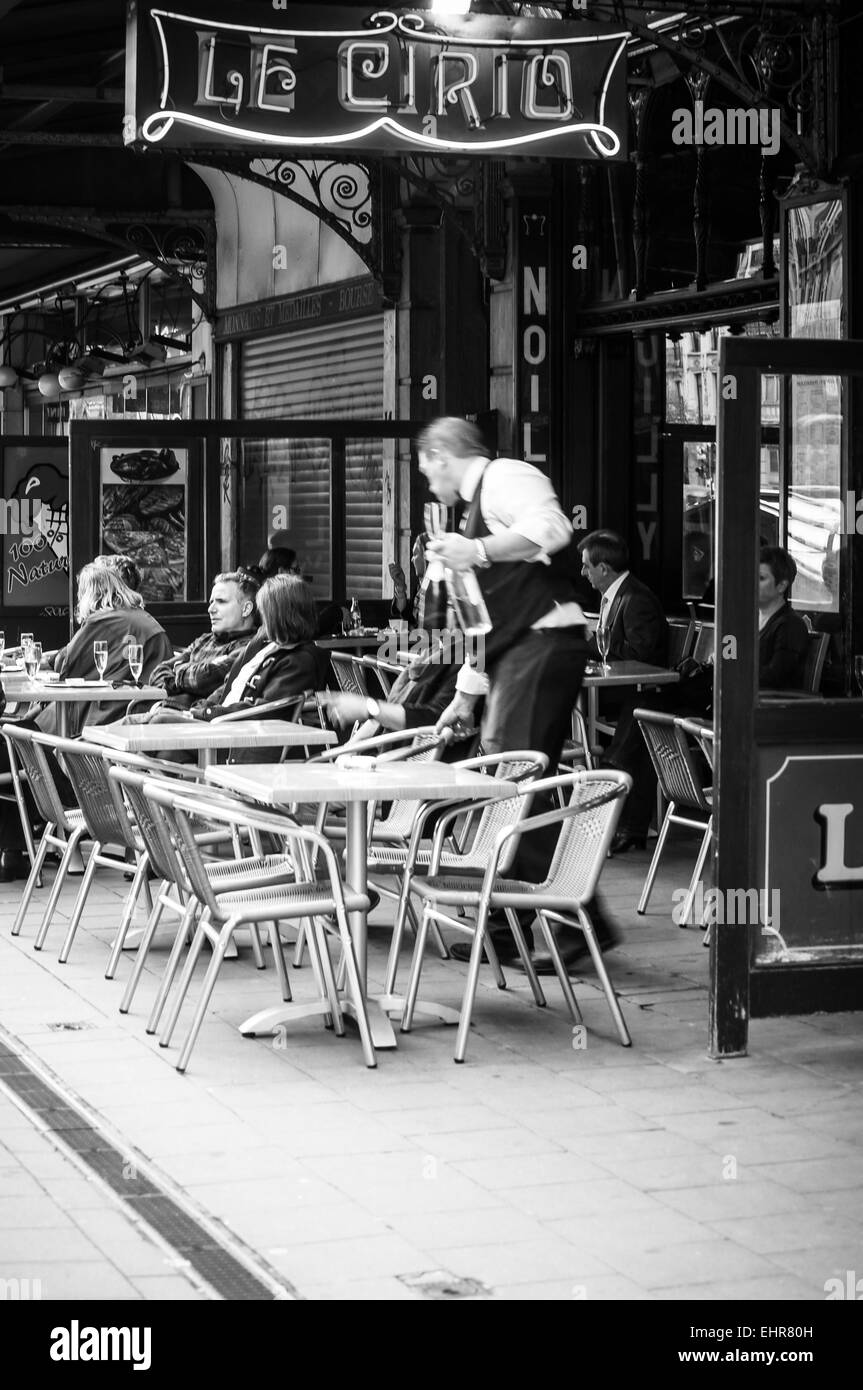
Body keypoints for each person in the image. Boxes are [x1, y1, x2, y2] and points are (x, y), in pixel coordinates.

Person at [417, 416, 609, 975]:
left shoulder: (504, 476)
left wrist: (476, 550)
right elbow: (482, 622)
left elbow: (554, 528)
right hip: (519, 650)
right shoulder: (468, 518)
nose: (427, 480)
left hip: (543, 642)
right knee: (513, 783)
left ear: (443, 455)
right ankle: (523, 926)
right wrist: (465, 695)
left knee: (516, 781)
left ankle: (557, 920)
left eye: (426, 467)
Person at [144, 574, 324, 753]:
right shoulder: (264, 648)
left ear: (280, 615)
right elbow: (227, 686)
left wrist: (205, 713)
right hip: (217, 724)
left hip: (234, 737)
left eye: (264, 612)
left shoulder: (298, 660)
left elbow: (263, 710)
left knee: (158, 725)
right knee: (151, 729)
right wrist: (201, 709)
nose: (261, 619)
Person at [578, 529, 668, 855]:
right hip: (624, 694)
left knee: (629, 739)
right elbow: (608, 649)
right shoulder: (614, 596)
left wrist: (593, 643)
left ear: (604, 568)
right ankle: (618, 823)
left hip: (646, 693)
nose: (583, 573)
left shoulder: (636, 599)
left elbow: (641, 656)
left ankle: (610, 820)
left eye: (587, 566)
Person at [146, 569, 260, 712]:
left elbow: (203, 679)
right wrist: (186, 679)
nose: (211, 609)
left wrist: (178, 671)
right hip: (164, 711)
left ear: (246, 609)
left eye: (221, 602)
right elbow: (158, 672)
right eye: (211, 602)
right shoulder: (204, 640)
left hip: (187, 718)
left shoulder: (250, 647)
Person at [758, 546, 809, 690]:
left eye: (761, 578)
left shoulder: (791, 625)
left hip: (768, 701)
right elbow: (731, 655)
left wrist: (733, 666)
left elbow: (775, 677)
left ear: (781, 586)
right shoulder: (746, 620)